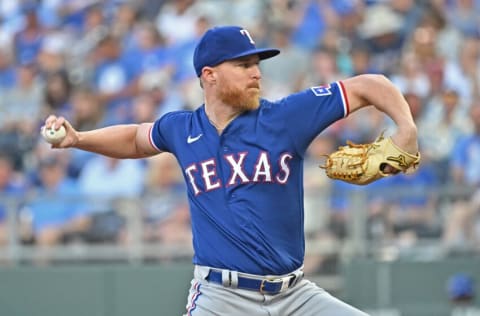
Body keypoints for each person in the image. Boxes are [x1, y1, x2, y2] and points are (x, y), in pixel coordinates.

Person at [42, 25, 419, 316]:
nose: (255, 73)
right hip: (221, 298)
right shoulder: (183, 129)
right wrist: (78, 138)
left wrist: (406, 129)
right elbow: (137, 138)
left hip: (295, 296)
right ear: (209, 75)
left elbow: (372, 85)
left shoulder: (285, 117)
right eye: (243, 65)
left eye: (256, 64)